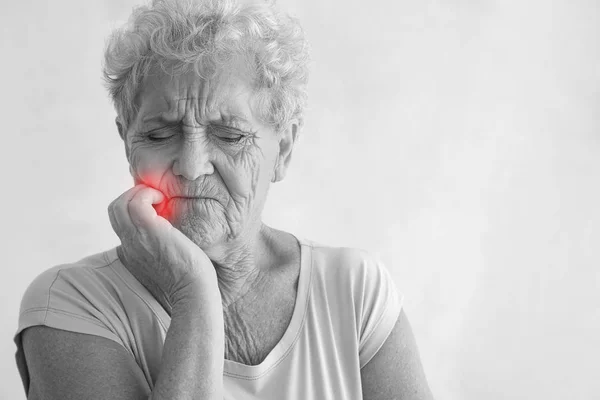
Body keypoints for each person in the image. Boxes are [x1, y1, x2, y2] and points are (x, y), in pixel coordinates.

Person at [14, 0, 434, 398]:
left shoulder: (354, 290)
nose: (192, 166)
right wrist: (194, 291)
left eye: (229, 136)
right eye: (160, 134)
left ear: (283, 149)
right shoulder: (70, 302)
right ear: (127, 143)